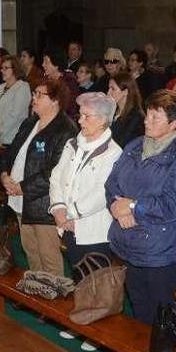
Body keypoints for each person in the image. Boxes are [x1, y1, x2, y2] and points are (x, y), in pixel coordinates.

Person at [105, 89, 176, 352]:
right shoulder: (136, 144)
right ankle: (138, 350)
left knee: (162, 306)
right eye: (148, 113)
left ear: (174, 124)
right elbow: (111, 182)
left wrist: (133, 205)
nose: (147, 119)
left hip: (161, 245)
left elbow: (174, 203)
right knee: (138, 299)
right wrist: (117, 205)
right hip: (129, 237)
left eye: (155, 116)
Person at [0, 78, 77, 275]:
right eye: (33, 94)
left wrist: (22, 187)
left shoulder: (66, 129)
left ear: (55, 100)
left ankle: (53, 298)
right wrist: (4, 174)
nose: (33, 98)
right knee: (31, 251)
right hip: (19, 200)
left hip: (44, 204)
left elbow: (56, 171)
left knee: (48, 255)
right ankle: (37, 291)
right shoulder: (30, 122)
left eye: (39, 95)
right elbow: (10, 152)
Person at [50, 92, 122, 265]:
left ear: (103, 120)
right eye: (80, 115)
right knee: (78, 280)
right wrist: (58, 208)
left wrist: (68, 214)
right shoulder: (72, 144)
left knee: (95, 285)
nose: (80, 121)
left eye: (86, 116)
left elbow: (102, 192)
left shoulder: (114, 152)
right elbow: (56, 176)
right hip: (67, 225)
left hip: (93, 232)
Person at [0, 54, 32, 147]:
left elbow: (15, 115)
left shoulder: (22, 87)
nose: (2, 71)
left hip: (13, 139)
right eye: (1, 68)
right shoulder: (0, 87)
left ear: (15, 69)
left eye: (6, 68)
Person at [107, 72, 145, 147]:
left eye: (113, 89)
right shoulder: (112, 110)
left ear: (125, 92)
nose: (108, 92)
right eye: (108, 88)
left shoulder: (136, 116)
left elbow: (121, 144)